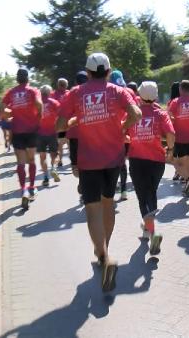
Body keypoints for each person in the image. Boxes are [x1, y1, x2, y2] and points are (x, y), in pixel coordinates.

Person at [57, 53, 141, 292]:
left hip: (88, 161)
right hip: (113, 159)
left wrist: (75, 122)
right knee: (108, 203)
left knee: (92, 209)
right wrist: (121, 128)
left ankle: (103, 255)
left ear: (89, 72)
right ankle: (105, 249)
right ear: (108, 70)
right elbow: (137, 114)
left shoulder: (76, 93)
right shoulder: (118, 91)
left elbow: (60, 125)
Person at [128, 81, 175, 255]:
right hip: (157, 161)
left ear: (139, 95)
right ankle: (148, 230)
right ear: (155, 96)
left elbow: (123, 132)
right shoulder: (161, 114)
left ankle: (153, 233)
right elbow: (171, 134)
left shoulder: (133, 113)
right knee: (151, 193)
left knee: (143, 197)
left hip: (137, 159)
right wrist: (170, 150)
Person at [0, 69, 43, 210]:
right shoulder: (33, 91)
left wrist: (10, 114)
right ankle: (31, 186)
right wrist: (38, 117)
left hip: (17, 132)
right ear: (27, 79)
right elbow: (39, 104)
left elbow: (1, 109)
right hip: (31, 131)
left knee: (20, 163)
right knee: (31, 161)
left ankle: (23, 189)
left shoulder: (11, 92)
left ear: (17, 79)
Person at [168, 80, 189, 197]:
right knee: (188, 162)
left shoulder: (175, 102)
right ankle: (188, 188)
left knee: (179, 163)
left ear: (180, 89)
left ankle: (188, 179)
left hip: (180, 138)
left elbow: (168, 119)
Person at [65, 71, 89, 202]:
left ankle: (82, 182)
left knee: (76, 165)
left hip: (74, 134)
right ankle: (87, 183)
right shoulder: (92, 93)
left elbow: (62, 115)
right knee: (91, 161)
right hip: (89, 132)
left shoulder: (71, 94)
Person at [110, 70, 130, 201]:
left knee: (111, 163)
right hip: (126, 133)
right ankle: (123, 190)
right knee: (122, 163)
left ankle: (111, 189)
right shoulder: (127, 92)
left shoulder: (108, 92)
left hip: (110, 134)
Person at [37, 85, 61, 187]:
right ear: (50, 92)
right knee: (55, 155)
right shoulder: (54, 103)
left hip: (39, 134)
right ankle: (54, 168)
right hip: (52, 132)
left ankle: (46, 178)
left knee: (42, 157)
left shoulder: (36, 103)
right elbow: (62, 115)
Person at [52, 78, 70, 168]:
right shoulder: (70, 93)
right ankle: (71, 159)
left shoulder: (53, 94)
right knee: (69, 141)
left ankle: (60, 161)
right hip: (68, 123)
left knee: (60, 143)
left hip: (60, 123)